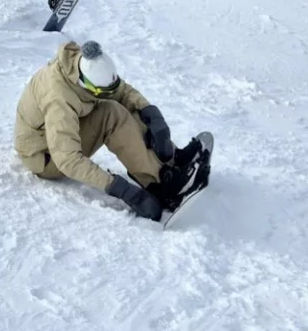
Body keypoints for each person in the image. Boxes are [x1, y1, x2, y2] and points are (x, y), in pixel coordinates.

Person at [15, 40, 205, 221]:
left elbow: (120, 92)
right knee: (111, 114)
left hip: (63, 132)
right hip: (46, 156)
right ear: (85, 84)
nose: (108, 93)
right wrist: (122, 189)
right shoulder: (58, 100)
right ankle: (160, 184)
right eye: (102, 92)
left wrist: (152, 115)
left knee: (125, 107)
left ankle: (172, 160)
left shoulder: (85, 66)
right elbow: (67, 159)